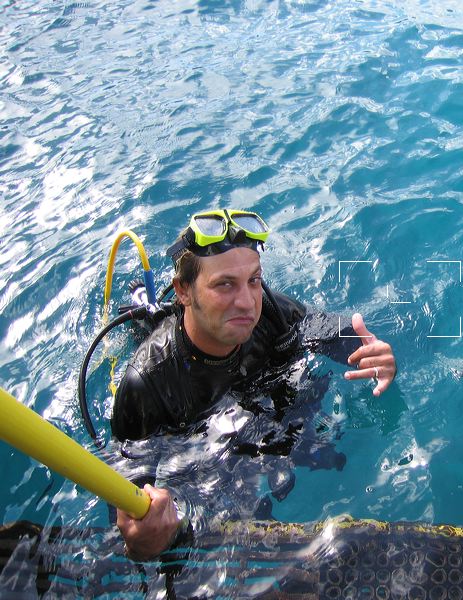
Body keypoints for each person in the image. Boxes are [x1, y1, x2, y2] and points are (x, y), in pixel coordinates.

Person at [113, 209, 396, 560]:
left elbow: (333, 334)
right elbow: (129, 500)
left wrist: (376, 356)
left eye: (254, 280)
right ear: (184, 291)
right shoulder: (148, 382)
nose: (247, 302)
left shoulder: (270, 311)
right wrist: (142, 541)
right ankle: (147, 307)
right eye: (224, 284)